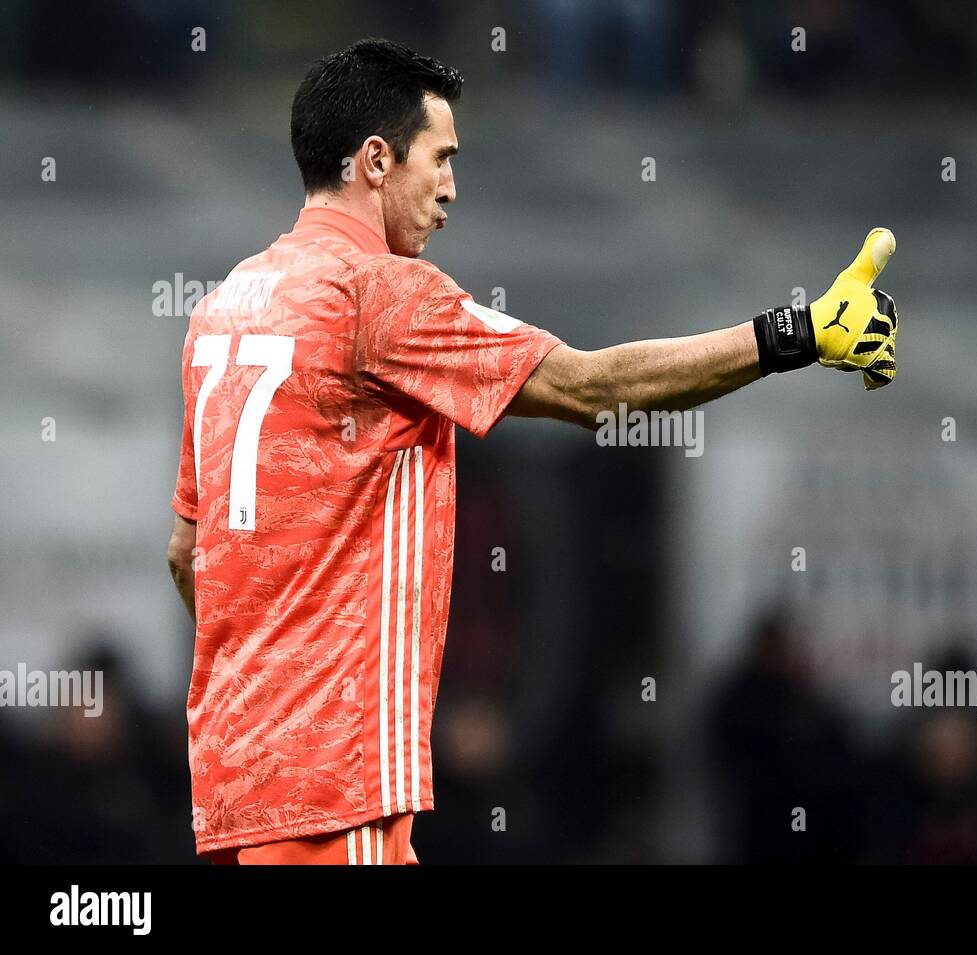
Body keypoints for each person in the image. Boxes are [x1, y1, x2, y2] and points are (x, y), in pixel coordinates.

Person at [166, 38, 901, 864]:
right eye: (440, 160)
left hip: (231, 789)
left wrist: (269, 679)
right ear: (376, 161)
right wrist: (793, 335)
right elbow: (592, 390)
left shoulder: (222, 308)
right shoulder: (380, 293)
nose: (452, 189)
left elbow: (189, 552)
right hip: (335, 789)